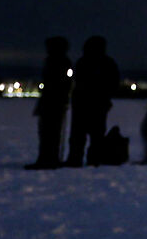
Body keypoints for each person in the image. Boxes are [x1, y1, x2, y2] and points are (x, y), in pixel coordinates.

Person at [65, 36, 121, 168]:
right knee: (95, 134)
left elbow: (78, 81)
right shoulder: (107, 62)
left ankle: (77, 159)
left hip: (86, 103)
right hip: (96, 104)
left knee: (82, 134)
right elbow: (114, 83)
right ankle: (91, 159)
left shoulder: (84, 61)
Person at [26, 36, 72, 169]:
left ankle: (48, 159)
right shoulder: (58, 61)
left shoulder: (58, 61)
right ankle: (48, 159)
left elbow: (61, 82)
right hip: (53, 101)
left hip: (53, 102)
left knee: (49, 133)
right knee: (49, 132)